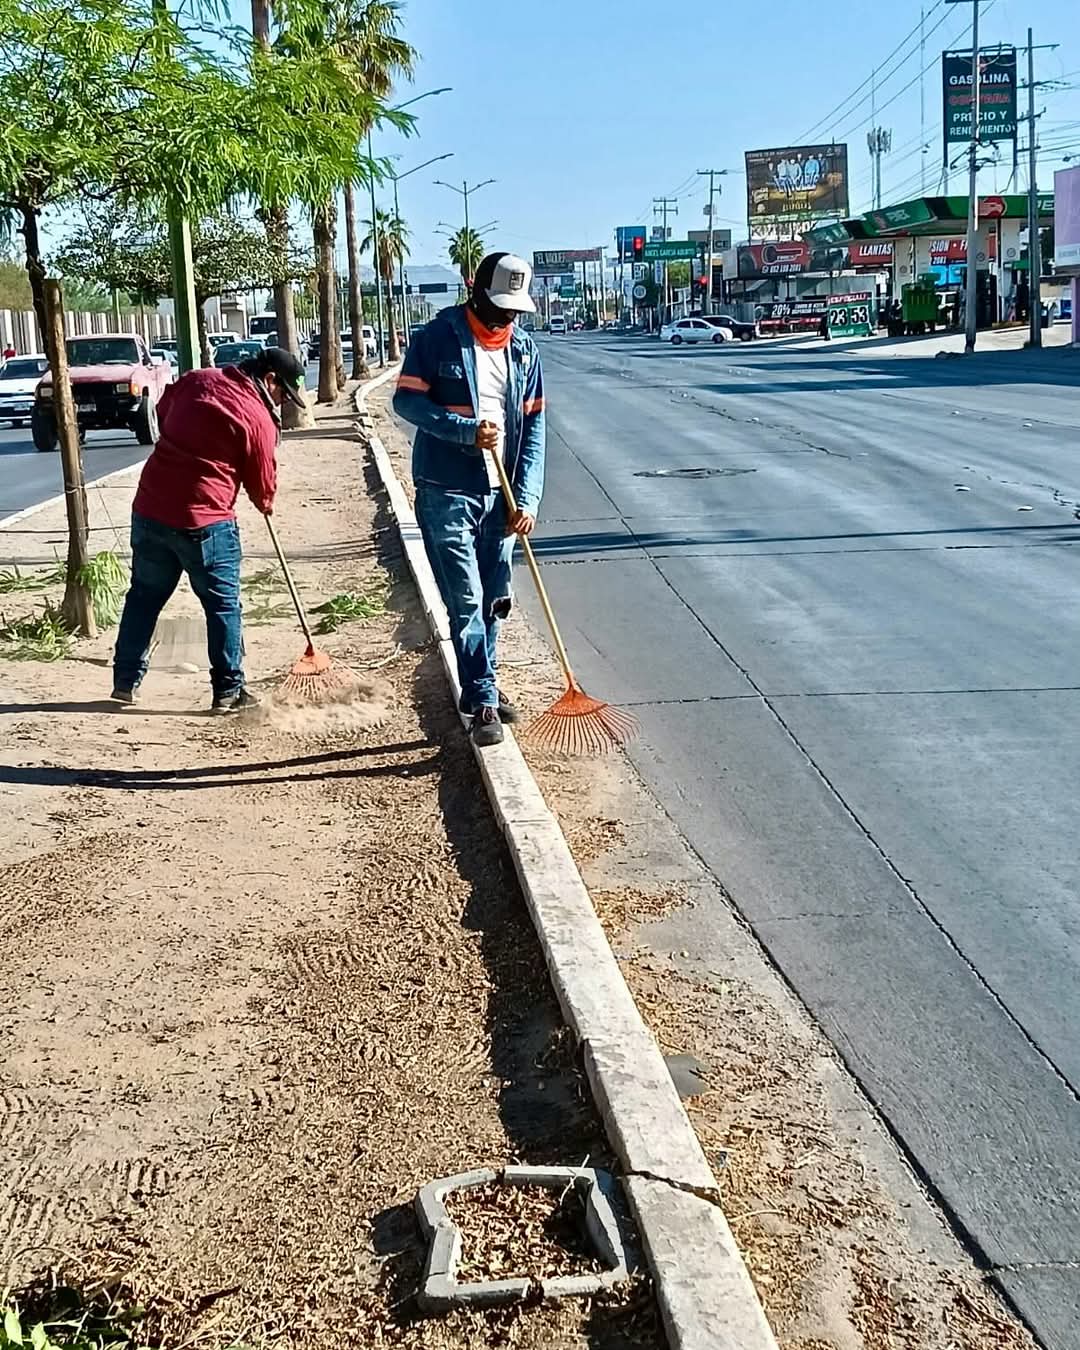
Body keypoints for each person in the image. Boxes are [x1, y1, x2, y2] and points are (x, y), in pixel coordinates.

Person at [393, 252, 545, 747]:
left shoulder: (524, 351)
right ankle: (482, 700)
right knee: (465, 599)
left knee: (495, 599)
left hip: (501, 494)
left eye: (513, 309)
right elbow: (406, 400)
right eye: (499, 306)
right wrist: (463, 430)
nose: (505, 317)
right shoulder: (437, 338)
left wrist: (527, 498)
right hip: (446, 491)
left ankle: (484, 684)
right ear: (474, 291)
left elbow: (535, 428)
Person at [111, 346, 307, 712]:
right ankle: (228, 691)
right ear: (269, 380)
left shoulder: (196, 380)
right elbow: (262, 481)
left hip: (151, 508)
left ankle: (124, 681)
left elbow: (163, 412)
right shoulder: (257, 417)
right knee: (222, 606)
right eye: (284, 394)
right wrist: (265, 502)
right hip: (205, 522)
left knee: (143, 596)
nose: (282, 403)